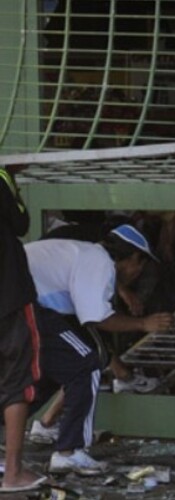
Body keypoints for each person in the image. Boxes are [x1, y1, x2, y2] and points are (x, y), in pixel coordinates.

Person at [24, 224, 174, 476]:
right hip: (26, 306)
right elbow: (96, 318)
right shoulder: (98, 260)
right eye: (141, 267)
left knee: (48, 372)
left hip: (19, 305)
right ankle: (69, 452)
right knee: (86, 365)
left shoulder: (84, 254)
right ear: (133, 258)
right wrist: (143, 324)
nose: (137, 274)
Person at [0, 164, 48, 493]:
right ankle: (13, 473)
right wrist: (10, 176)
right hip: (8, 297)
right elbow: (21, 223)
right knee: (17, 382)